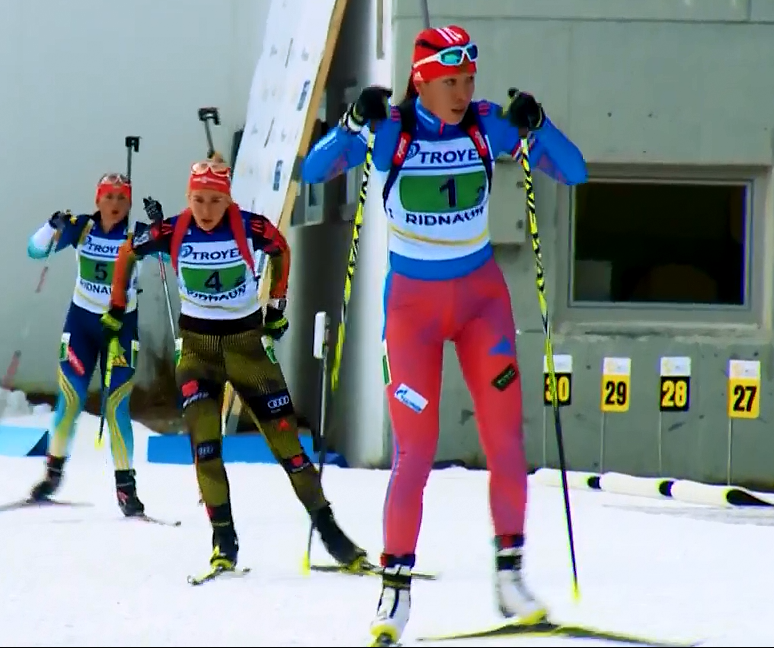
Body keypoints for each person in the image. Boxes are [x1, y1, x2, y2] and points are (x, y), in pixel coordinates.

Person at [301, 24, 588, 646]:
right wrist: (351, 123)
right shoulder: (391, 129)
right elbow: (314, 168)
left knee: (506, 441)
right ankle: (395, 594)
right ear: (422, 80)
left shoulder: (489, 126)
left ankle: (510, 576)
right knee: (415, 453)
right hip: (412, 311)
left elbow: (575, 171)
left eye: (468, 80)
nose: (462, 92)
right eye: (450, 81)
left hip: (482, 302)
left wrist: (538, 124)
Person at [104, 156, 366, 572]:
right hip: (196, 353)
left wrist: (277, 307)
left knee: (290, 451)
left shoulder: (249, 226)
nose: (206, 210)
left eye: (214, 200)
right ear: (188, 198)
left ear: (228, 198)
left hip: (247, 349)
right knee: (205, 450)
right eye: (198, 200)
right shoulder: (173, 229)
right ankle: (223, 542)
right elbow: (126, 253)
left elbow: (280, 248)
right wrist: (117, 307)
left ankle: (332, 533)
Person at [26, 173, 145, 517]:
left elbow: (172, 256)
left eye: (122, 198)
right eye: (108, 197)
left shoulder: (135, 234)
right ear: (97, 200)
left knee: (117, 406)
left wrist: (159, 228)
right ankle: (52, 474)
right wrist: (52, 226)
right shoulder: (82, 227)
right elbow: (35, 250)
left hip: (121, 329)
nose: (114, 204)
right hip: (81, 325)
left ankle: (126, 488)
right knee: (70, 400)